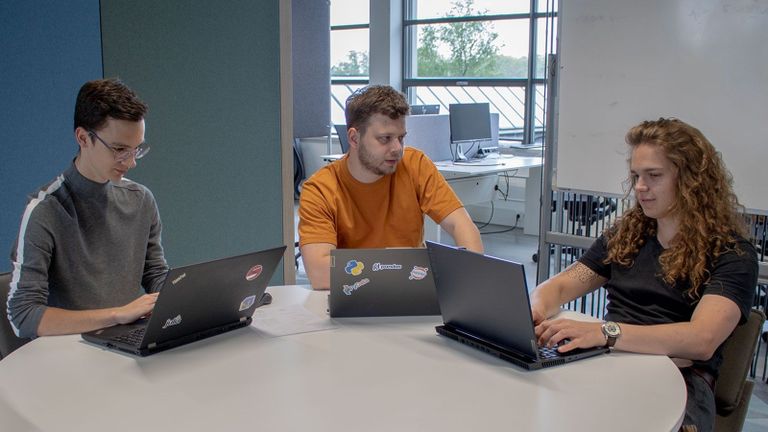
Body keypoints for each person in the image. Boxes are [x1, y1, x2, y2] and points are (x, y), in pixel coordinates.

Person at [530, 118, 757, 432]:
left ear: (691, 181)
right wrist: (536, 308)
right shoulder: (627, 235)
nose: (639, 186)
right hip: (610, 365)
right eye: (636, 175)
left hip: (681, 384)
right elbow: (560, 286)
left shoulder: (732, 253)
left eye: (654, 175)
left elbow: (701, 339)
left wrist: (607, 333)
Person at [7, 78, 169, 338]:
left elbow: (155, 275)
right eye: (119, 149)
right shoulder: (44, 210)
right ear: (83, 138)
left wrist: (193, 297)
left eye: (136, 150)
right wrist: (117, 314)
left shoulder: (141, 200)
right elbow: (22, 315)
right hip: (69, 355)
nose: (130, 162)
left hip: (123, 346)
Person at [299, 85, 483, 289]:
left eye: (401, 138)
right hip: (355, 292)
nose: (397, 148)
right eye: (385, 139)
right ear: (354, 138)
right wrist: (396, 267)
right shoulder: (320, 189)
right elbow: (319, 272)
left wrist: (471, 278)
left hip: (411, 287)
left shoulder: (416, 165)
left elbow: (462, 226)